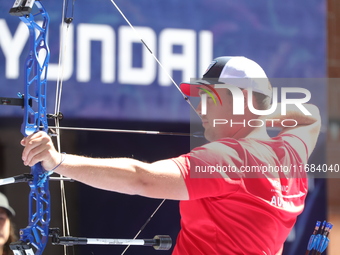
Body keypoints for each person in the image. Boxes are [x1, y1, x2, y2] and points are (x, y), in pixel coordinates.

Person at [20, 56, 321, 254]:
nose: (199, 109)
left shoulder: (229, 158)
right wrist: (259, 115)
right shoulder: (290, 154)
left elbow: (143, 179)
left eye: (208, 98)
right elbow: (311, 116)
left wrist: (57, 160)